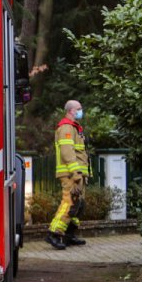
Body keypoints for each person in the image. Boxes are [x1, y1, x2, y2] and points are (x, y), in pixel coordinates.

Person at [46, 100, 90, 250]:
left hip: (77, 173)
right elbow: (67, 152)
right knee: (69, 203)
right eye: (79, 108)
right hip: (71, 173)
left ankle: (69, 235)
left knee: (78, 205)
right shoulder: (66, 127)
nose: (81, 111)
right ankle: (54, 233)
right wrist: (75, 172)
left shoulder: (75, 128)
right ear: (71, 110)